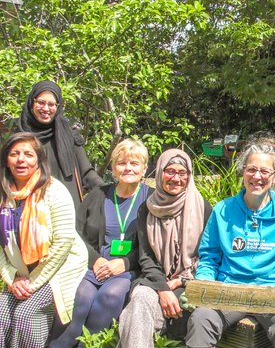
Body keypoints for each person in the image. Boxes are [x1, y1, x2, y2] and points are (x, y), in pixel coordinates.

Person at [182, 136, 275, 348]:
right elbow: (209, 259)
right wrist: (200, 290)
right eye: (252, 169)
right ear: (243, 171)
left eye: (265, 171)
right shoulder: (223, 211)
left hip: (274, 295)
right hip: (228, 293)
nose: (257, 176)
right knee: (200, 320)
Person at [49, 139, 153, 347]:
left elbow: (154, 243)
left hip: (128, 270)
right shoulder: (97, 195)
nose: (128, 168)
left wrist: (125, 262)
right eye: (122, 163)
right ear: (113, 167)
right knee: (81, 297)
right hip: (94, 267)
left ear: (144, 169)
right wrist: (95, 260)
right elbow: (75, 234)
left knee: (110, 295)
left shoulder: (152, 200)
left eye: (134, 163)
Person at [0, 132, 88, 348]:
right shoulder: (3, 194)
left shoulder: (54, 191)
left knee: (25, 315)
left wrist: (33, 282)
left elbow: (64, 242)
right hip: (19, 272)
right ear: (6, 160)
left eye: (28, 154)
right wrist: (12, 279)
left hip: (59, 268)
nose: (21, 159)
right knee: (1, 315)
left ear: (38, 160)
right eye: (14, 154)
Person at [117, 149, 212, 348]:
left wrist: (182, 280)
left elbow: (210, 255)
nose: (176, 178)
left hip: (191, 280)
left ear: (189, 175)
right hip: (155, 280)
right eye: (170, 171)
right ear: (160, 172)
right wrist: (162, 288)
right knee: (140, 300)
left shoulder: (203, 208)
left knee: (138, 316)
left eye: (182, 173)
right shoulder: (147, 208)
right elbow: (146, 257)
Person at [16, 80, 105, 210]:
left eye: (51, 104)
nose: (46, 108)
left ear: (58, 107)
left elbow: (86, 174)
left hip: (67, 212)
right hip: (31, 213)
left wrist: (111, 193)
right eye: (41, 102)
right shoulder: (20, 137)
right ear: (31, 102)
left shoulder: (68, 135)